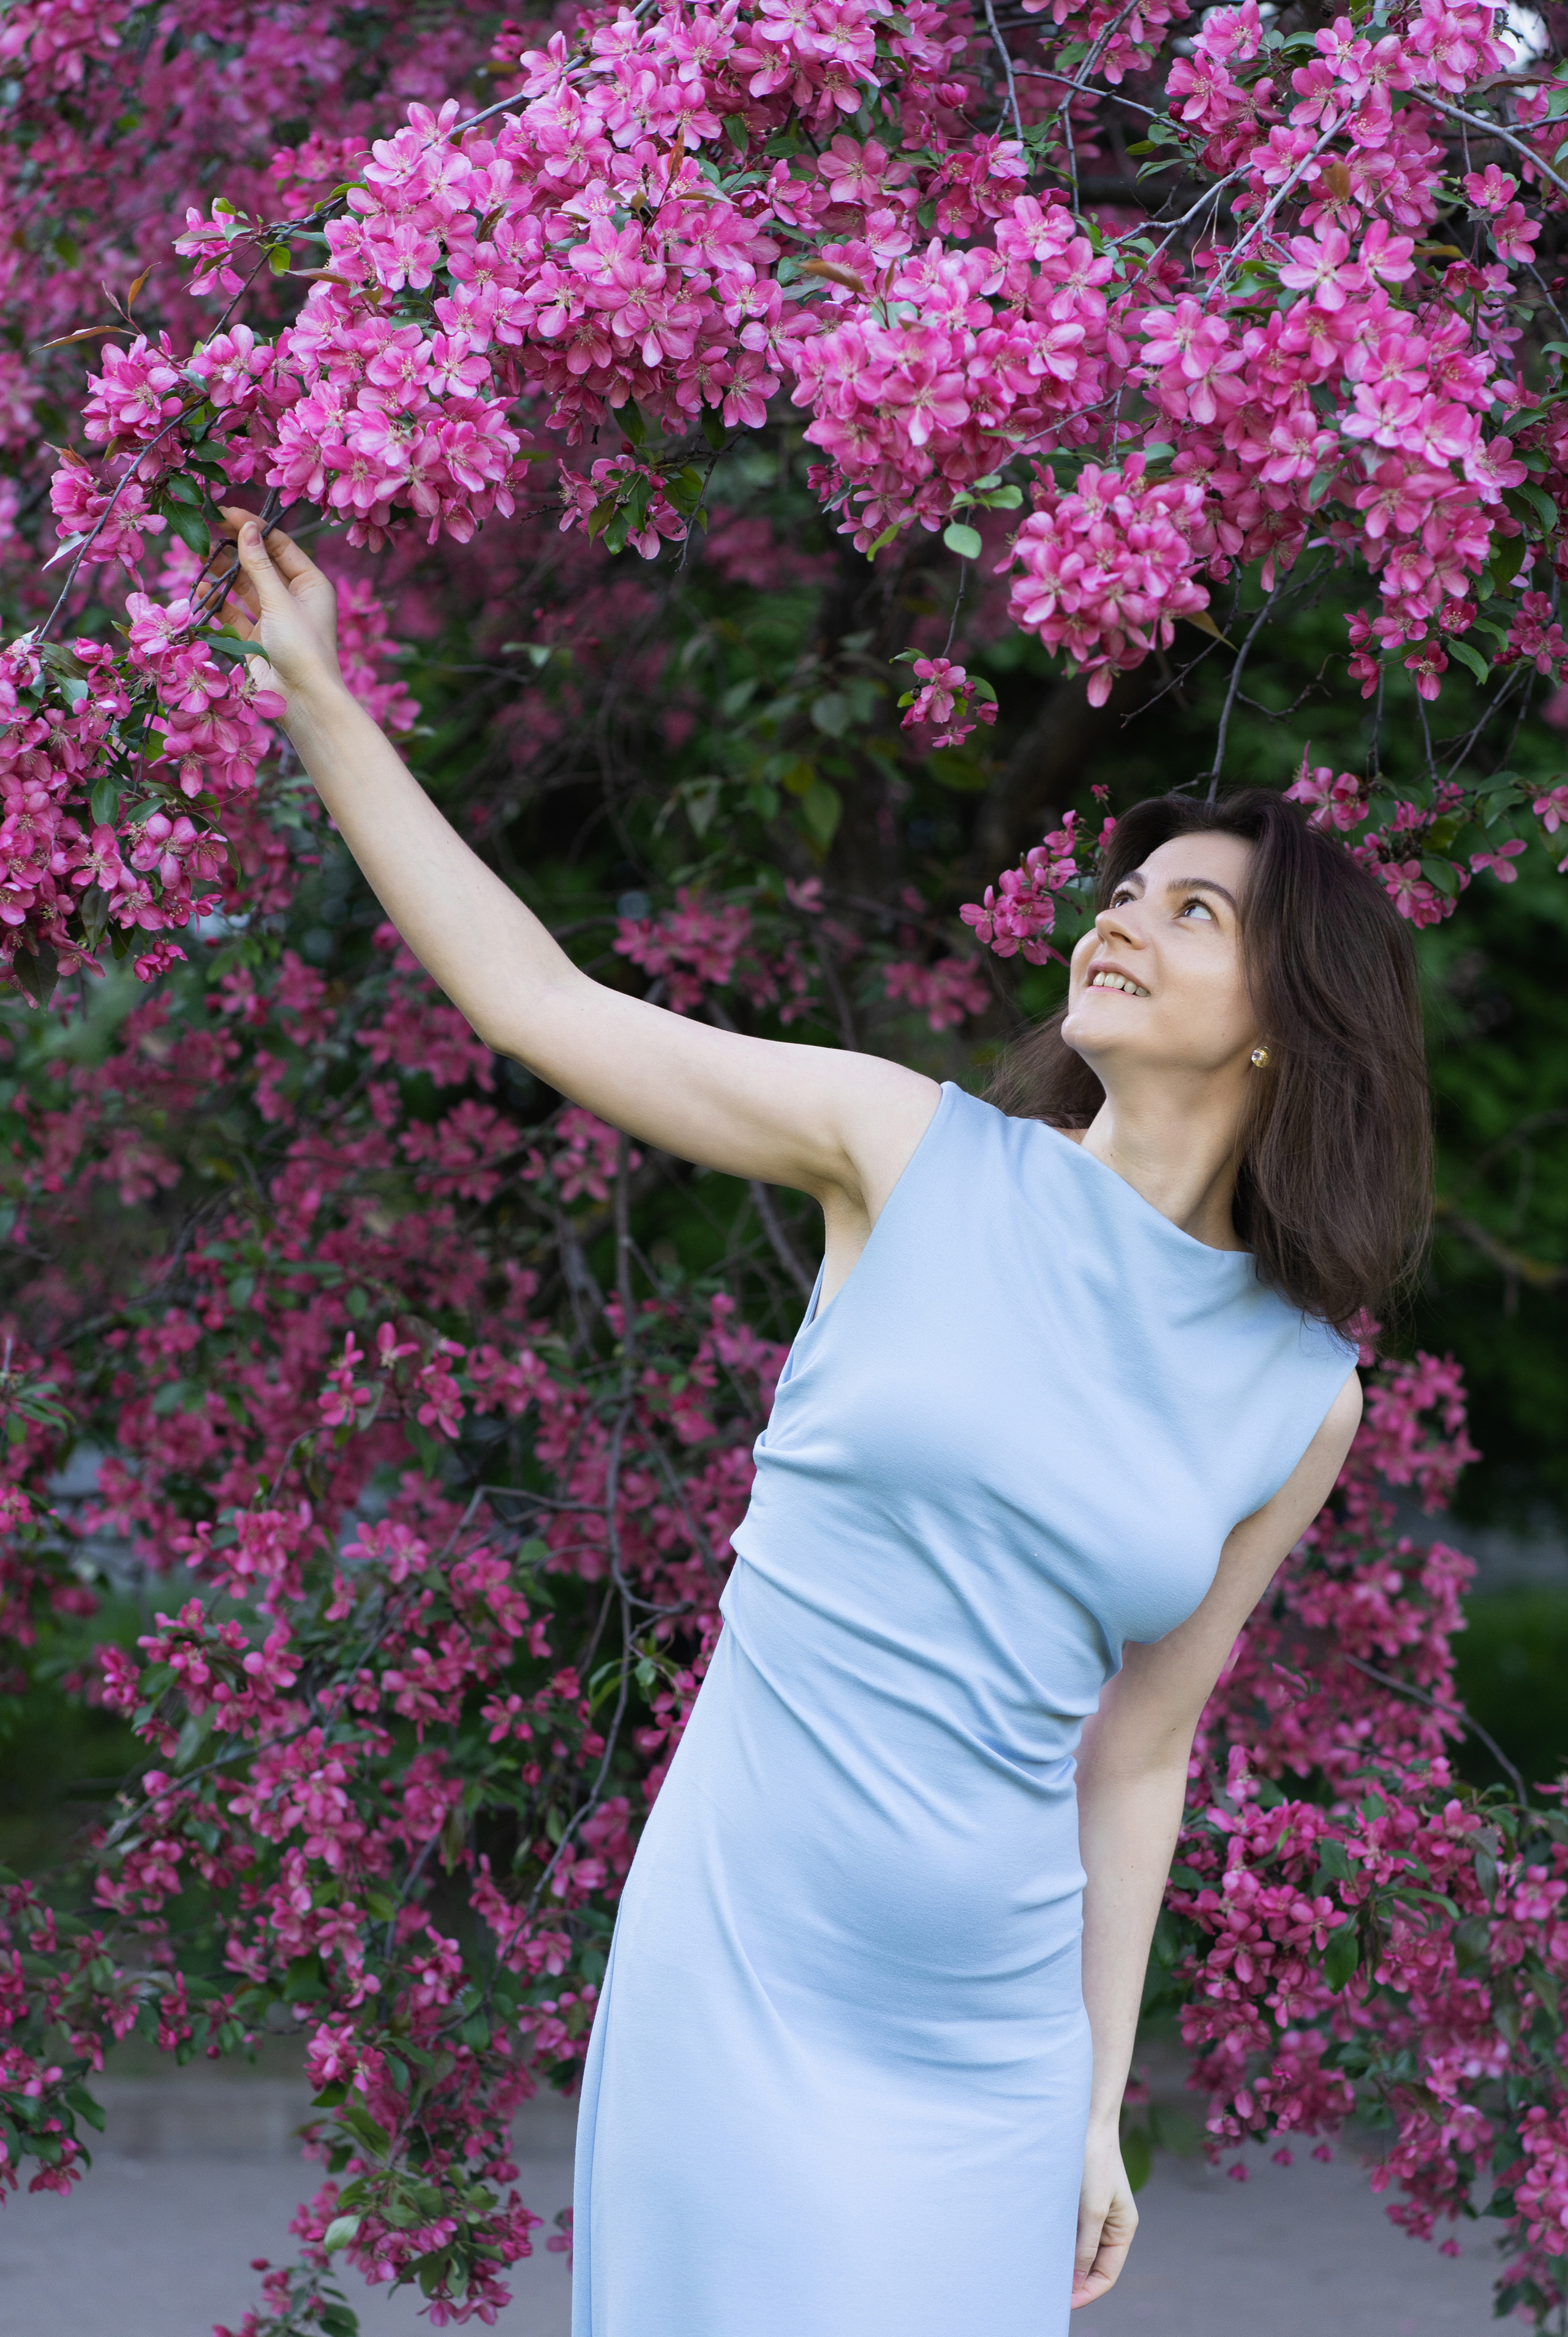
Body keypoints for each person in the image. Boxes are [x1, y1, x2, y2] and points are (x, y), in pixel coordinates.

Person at [210, 511, 1432, 2336]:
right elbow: (542, 1002)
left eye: (1198, 912)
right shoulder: (906, 1150)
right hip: (747, 1975)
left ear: (1284, 1026)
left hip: (992, 2047)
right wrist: (320, 697)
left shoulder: (1298, 1389)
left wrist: (1096, 2105)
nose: (1125, 915)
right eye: (1128, 887)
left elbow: (1139, 1757)